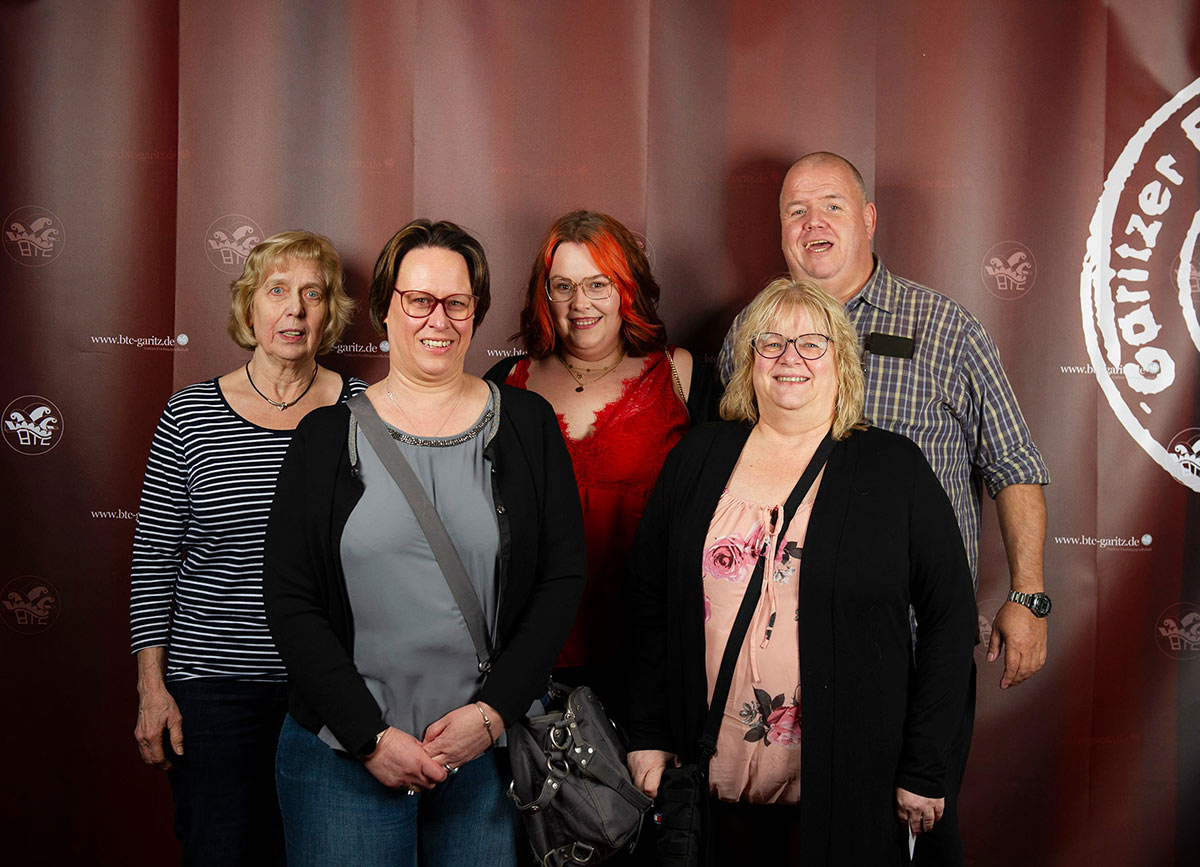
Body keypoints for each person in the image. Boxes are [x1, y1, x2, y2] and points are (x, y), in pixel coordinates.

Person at [717, 152, 1051, 862]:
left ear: (869, 219)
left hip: (915, 650)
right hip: (779, 661)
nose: (813, 224)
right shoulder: (750, 334)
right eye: (796, 210)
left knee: (908, 836)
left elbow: (1014, 463)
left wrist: (1028, 593)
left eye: (832, 206)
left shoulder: (946, 327)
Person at [263, 219, 586, 867]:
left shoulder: (528, 424)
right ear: (385, 308)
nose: (438, 319)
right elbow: (291, 600)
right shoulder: (323, 438)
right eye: (419, 300)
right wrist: (370, 737)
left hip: (486, 760)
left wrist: (492, 714)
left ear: (475, 312)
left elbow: (560, 579)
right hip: (342, 757)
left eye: (456, 302)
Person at [625, 278, 977, 863]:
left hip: (852, 787)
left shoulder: (894, 467)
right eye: (771, 343)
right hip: (705, 784)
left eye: (812, 343)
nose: (790, 358)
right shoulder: (698, 455)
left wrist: (925, 763)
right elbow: (647, 601)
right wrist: (648, 734)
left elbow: (951, 618)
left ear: (842, 362)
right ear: (750, 362)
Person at [129, 230, 364, 865]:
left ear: (330, 312)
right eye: (277, 290)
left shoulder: (365, 412)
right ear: (249, 306)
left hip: (331, 688)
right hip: (212, 690)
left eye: (313, 293)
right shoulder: (189, 414)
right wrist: (152, 688)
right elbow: (154, 559)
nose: (295, 309)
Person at [485, 210, 717, 711]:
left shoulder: (681, 375)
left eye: (598, 284)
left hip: (652, 652)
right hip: (529, 655)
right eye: (563, 286)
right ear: (545, 295)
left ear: (627, 289)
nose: (580, 303)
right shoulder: (504, 384)